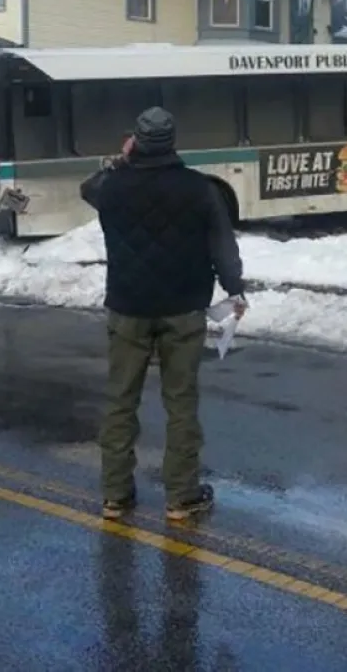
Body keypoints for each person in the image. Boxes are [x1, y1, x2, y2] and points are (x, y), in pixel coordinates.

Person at [81, 106, 246, 523]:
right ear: (174, 142)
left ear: (134, 141)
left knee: (120, 402)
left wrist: (122, 159)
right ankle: (181, 497)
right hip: (183, 309)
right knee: (181, 404)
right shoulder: (199, 188)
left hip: (128, 307)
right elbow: (222, 244)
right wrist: (234, 288)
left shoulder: (112, 187)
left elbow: (88, 188)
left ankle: (115, 496)